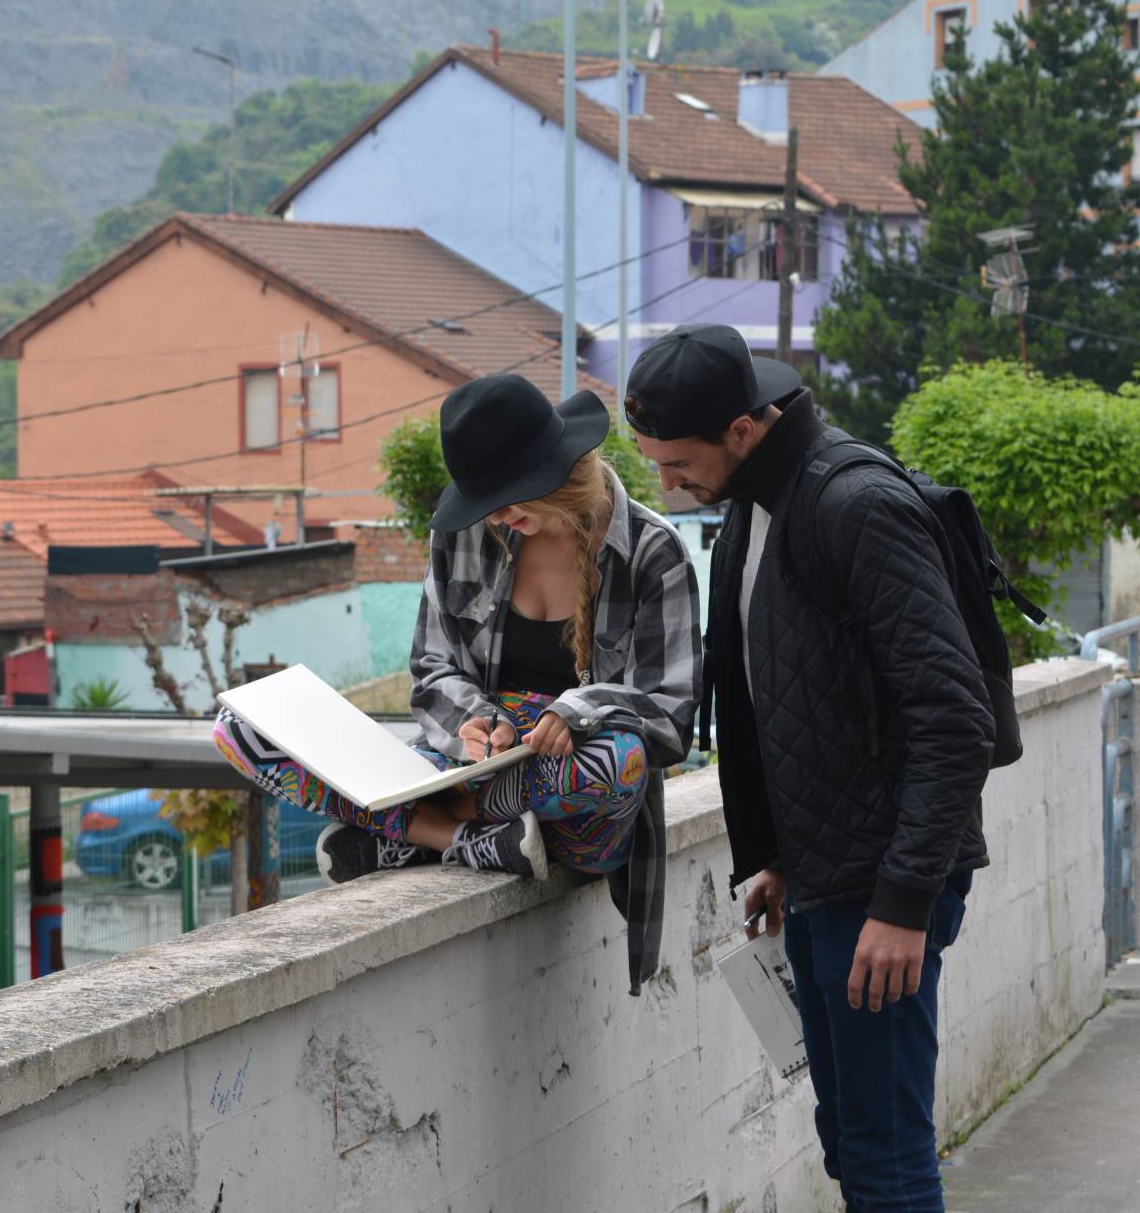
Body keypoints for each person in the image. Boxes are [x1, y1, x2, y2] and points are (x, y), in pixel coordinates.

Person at [624, 324, 994, 1213]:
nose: (667, 486)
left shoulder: (853, 503)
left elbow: (954, 718)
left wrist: (903, 903)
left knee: (887, 1154)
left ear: (744, 429)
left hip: (885, 889)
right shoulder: (756, 505)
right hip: (826, 876)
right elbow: (781, 701)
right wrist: (779, 853)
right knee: (850, 1141)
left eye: (676, 465)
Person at [212, 373, 701, 993]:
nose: (496, 515)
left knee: (620, 759)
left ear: (564, 468)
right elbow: (432, 668)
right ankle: (462, 840)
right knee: (241, 731)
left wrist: (578, 710)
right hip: (471, 767)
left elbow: (672, 713)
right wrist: (474, 720)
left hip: (574, 812)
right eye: (485, 500)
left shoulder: (653, 552)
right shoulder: (466, 535)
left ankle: (410, 829)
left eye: (509, 495)